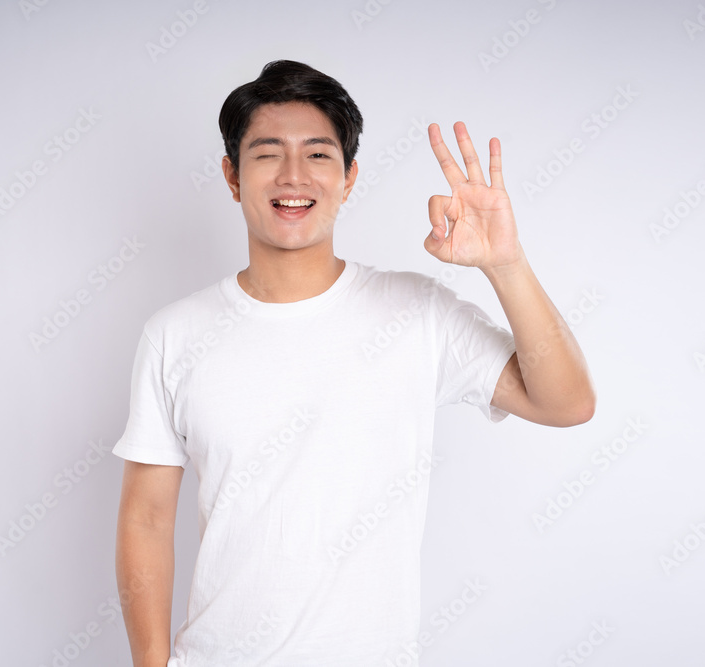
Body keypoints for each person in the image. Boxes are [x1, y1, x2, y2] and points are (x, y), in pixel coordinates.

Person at [113, 59, 595, 667]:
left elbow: (567, 402)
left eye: (318, 154)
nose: (294, 176)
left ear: (349, 176)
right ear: (233, 177)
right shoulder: (175, 334)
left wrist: (505, 263)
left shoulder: (417, 313)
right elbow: (147, 520)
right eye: (267, 154)